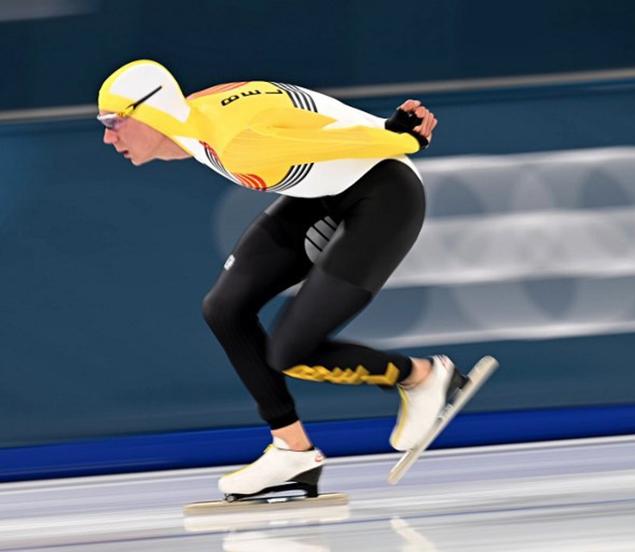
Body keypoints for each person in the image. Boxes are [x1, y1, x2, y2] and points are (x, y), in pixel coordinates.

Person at [97, 59, 467, 500]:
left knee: (291, 351)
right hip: (325, 194)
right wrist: (386, 125)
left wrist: (393, 133)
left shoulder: (235, 143)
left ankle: (421, 377)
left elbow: (320, 130)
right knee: (224, 308)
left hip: (384, 197)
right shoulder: (198, 117)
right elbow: (303, 107)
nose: (107, 136)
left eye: (113, 122)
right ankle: (291, 450)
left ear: (148, 113)